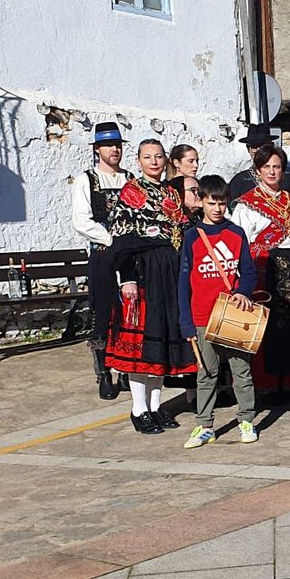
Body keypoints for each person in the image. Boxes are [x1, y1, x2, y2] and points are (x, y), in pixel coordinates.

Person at [105, 139, 196, 434]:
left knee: (164, 343)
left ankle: (157, 406)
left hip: (170, 274)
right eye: (148, 157)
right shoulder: (131, 192)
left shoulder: (171, 190)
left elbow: (183, 228)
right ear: (139, 160)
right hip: (145, 273)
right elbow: (121, 239)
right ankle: (138, 409)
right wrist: (127, 278)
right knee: (142, 346)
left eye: (158, 156)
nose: (154, 162)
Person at [178, 175, 260, 448]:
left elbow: (248, 272)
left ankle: (246, 419)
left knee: (242, 371)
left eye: (222, 203)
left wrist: (242, 292)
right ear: (201, 201)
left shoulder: (236, 233)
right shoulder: (191, 236)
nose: (217, 209)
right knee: (207, 373)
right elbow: (183, 282)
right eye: (212, 203)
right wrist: (186, 322)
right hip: (201, 315)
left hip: (232, 313)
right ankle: (204, 425)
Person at [230, 145, 290, 400]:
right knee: (265, 325)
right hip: (263, 268)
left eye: (276, 167)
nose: (272, 172)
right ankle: (265, 384)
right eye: (267, 167)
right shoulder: (247, 204)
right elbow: (241, 241)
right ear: (258, 170)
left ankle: (287, 381)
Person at [70, 122, 134, 400]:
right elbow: (81, 220)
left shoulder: (131, 179)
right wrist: (111, 239)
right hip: (104, 254)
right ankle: (104, 373)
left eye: (118, 145)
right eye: (109, 145)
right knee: (103, 313)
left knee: (131, 313)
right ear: (98, 149)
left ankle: (127, 370)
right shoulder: (87, 179)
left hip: (130, 255)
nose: (115, 150)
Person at [229, 125, 290, 201]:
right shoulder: (239, 181)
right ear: (248, 149)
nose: (259, 150)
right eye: (254, 146)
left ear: (271, 146)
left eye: (263, 146)